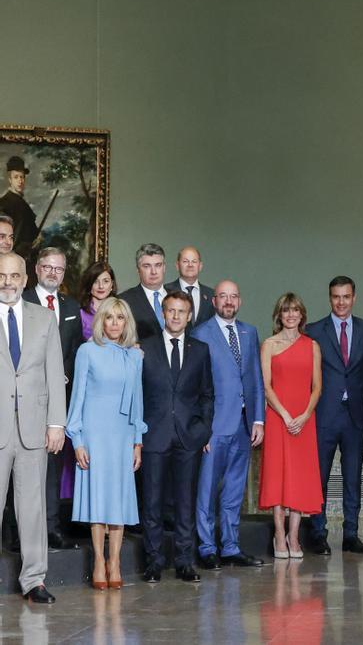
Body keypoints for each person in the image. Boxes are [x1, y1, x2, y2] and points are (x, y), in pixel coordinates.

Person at [0, 252, 66, 603]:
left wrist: (56, 422)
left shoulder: (44, 319)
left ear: (25, 279)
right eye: (1, 275)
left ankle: (34, 580)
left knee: (33, 507)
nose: (7, 282)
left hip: (34, 428)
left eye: (14, 276)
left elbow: (54, 372)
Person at [67, 297, 145, 590]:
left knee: (119, 498)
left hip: (123, 434)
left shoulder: (135, 356)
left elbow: (137, 401)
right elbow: (78, 398)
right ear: (101, 320)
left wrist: (137, 441)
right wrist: (77, 440)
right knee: (98, 499)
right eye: (109, 317)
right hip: (95, 434)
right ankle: (99, 560)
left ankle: (116, 561)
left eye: (120, 318)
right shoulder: (87, 351)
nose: (114, 323)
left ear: (127, 323)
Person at [139, 290, 213, 584]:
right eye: (171, 311)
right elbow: (138, 394)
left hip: (188, 438)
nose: (176, 316)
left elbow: (207, 395)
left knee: (185, 503)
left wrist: (203, 429)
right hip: (154, 435)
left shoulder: (201, 349)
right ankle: (153, 562)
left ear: (190, 315)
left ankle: (185, 561)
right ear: (163, 313)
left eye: (182, 311)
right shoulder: (144, 348)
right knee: (153, 503)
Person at [191, 280, 265, 569]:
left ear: (240, 301)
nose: (229, 301)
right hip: (215, 427)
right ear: (214, 301)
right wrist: (202, 429)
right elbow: (196, 387)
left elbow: (256, 379)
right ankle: (207, 547)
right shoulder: (200, 334)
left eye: (233, 296)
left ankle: (231, 547)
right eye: (223, 296)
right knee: (207, 490)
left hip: (244, 425)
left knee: (234, 490)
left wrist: (258, 419)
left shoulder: (249, 332)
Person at [307, 276, 363, 555]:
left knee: (352, 478)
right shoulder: (314, 330)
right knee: (319, 478)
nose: (341, 302)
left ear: (354, 298)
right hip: (325, 415)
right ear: (329, 298)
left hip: (355, 416)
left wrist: (354, 392)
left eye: (346, 297)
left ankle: (351, 534)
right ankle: (318, 533)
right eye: (336, 297)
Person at [24, 248, 83, 550]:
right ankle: (17, 531)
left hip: (59, 399)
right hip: (24, 398)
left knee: (52, 466)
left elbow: (75, 349)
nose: (52, 273)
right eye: (47, 267)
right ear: (36, 270)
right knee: (19, 465)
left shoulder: (71, 305)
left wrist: (64, 376)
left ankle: (50, 528)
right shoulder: (22, 302)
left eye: (58, 269)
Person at [259, 293, 324, 559]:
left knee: (299, 478)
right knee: (277, 476)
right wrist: (285, 415)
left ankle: (294, 537)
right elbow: (266, 386)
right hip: (278, 418)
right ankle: (279, 534)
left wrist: (305, 415)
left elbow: (317, 386)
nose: (290, 315)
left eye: (295, 310)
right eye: (286, 311)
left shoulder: (312, 346)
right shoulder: (269, 345)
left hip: (304, 421)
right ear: (279, 315)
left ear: (302, 315)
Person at [116, 243, 169, 342]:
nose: (153, 272)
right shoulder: (124, 301)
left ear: (164, 267)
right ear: (138, 270)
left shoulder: (179, 297)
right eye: (147, 266)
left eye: (158, 265)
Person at [164, 246, 215, 324]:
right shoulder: (165, 291)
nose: (190, 265)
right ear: (177, 265)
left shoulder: (211, 294)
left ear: (200, 266)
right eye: (185, 261)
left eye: (194, 261)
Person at [0, 158, 37, 262]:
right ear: (10, 180)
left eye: (22, 177)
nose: (20, 181)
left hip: (26, 259)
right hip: (10, 259)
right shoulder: (4, 203)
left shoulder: (23, 204)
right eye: (16, 177)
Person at [77, 261, 117, 340]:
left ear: (112, 284)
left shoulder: (121, 311)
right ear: (89, 284)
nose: (101, 286)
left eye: (106, 281)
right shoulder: (79, 313)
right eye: (95, 281)